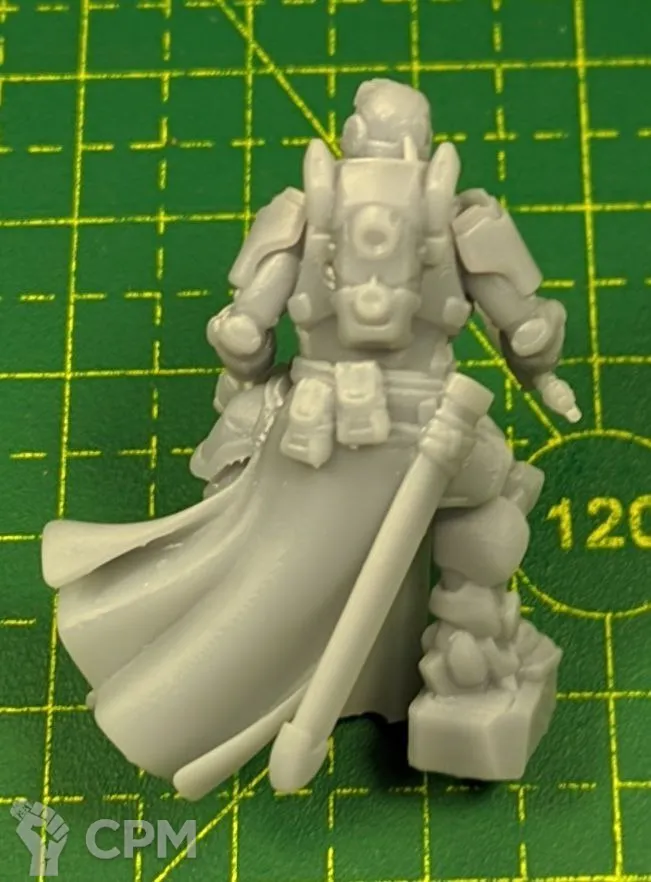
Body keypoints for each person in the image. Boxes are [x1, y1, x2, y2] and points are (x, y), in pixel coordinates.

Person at [41, 78, 578, 801]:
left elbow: (248, 334)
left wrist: (247, 361)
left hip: (364, 421)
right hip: (370, 425)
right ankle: (465, 652)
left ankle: (465, 653)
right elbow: (523, 327)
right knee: (486, 505)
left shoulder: (332, 217)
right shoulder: (434, 219)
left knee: (474, 512)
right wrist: (537, 358)